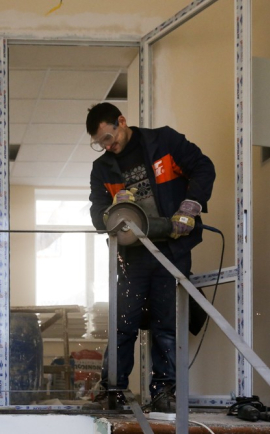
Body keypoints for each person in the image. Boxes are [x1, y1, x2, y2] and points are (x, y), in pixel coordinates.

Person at [86, 102, 216, 412]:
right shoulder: (102, 169)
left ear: (121, 121)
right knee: (123, 322)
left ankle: (163, 392)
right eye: (100, 143)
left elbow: (203, 166)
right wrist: (112, 208)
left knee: (166, 323)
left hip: (172, 248)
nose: (107, 146)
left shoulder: (164, 142)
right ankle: (113, 390)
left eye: (109, 137)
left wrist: (190, 206)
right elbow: (97, 214)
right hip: (132, 254)